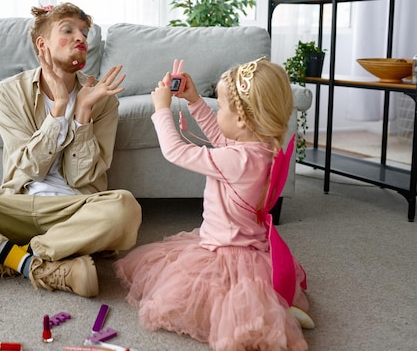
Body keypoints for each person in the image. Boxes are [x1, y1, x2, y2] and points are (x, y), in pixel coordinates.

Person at [0, 2, 142, 298]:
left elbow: (82, 178)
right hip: (14, 205)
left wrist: (83, 111)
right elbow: (30, 169)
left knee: (125, 207)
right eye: (68, 31)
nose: (81, 38)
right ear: (42, 44)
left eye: (84, 32)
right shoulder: (8, 92)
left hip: (72, 209)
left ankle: (4, 258)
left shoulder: (102, 100)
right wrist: (58, 111)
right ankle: (46, 263)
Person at [114, 57, 313, 351]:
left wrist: (161, 109)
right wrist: (194, 100)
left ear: (243, 120)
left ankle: (274, 315)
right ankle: (279, 309)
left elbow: (175, 152)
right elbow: (222, 138)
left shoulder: (238, 160)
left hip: (225, 251)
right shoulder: (260, 147)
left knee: (218, 300)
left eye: (222, 107)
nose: (218, 111)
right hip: (250, 246)